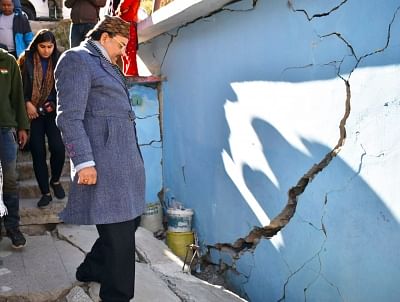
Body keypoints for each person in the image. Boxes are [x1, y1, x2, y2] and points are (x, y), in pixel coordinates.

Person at [55, 15, 145, 302]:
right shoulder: (77, 59)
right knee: (120, 237)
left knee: (129, 223)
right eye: (120, 45)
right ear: (104, 37)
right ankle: (117, 296)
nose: (123, 52)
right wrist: (84, 162)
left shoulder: (107, 64)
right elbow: (69, 117)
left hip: (125, 162)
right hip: (103, 163)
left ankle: (90, 268)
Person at [18, 29, 65, 208]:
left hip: (52, 112)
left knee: (58, 149)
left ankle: (55, 180)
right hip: (33, 113)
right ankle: (45, 192)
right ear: (36, 45)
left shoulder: (59, 59)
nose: (46, 50)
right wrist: (27, 103)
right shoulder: (26, 60)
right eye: (42, 46)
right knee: (38, 151)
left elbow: (64, 86)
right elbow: (19, 86)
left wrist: (53, 102)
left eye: (50, 46)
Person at [0, 47, 29, 248]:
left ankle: (12, 227)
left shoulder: (8, 61)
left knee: (9, 179)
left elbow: (18, 97)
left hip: (5, 129)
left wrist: (22, 126)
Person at [115, 0, 139, 76]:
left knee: (128, 52)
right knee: (127, 51)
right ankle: (129, 74)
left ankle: (131, 74)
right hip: (128, 22)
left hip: (126, 22)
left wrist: (118, 11)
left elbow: (123, 6)